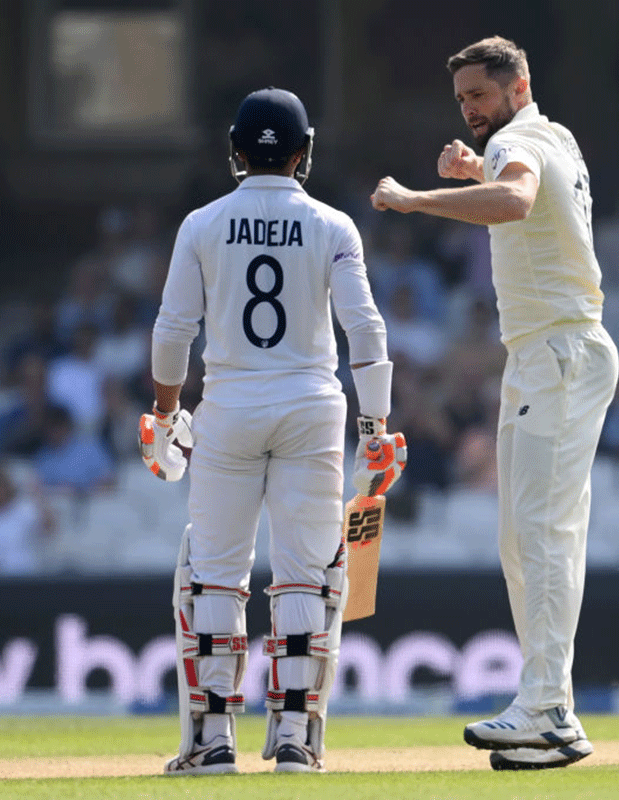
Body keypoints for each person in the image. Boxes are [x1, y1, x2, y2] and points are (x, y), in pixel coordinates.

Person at [371, 36, 616, 771]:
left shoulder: (521, 140)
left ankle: (546, 708)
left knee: (538, 532)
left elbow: (515, 201)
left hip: (558, 353)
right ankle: (553, 714)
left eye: (479, 95)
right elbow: (526, 196)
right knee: (531, 535)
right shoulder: (550, 137)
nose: (471, 110)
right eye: (462, 101)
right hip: (547, 352)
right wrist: (479, 167)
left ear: (519, 86)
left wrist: (417, 200)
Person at [143, 87, 404, 775]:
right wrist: (375, 425)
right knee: (308, 576)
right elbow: (366, 332)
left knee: (213, 577)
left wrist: (167, 414)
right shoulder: (333, 226)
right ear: (304, 152)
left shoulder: (202, 224)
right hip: (313, 409)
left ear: (234, 150)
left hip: (229, 408)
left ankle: (211, 741)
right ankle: (295, 738)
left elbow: (174, 331)